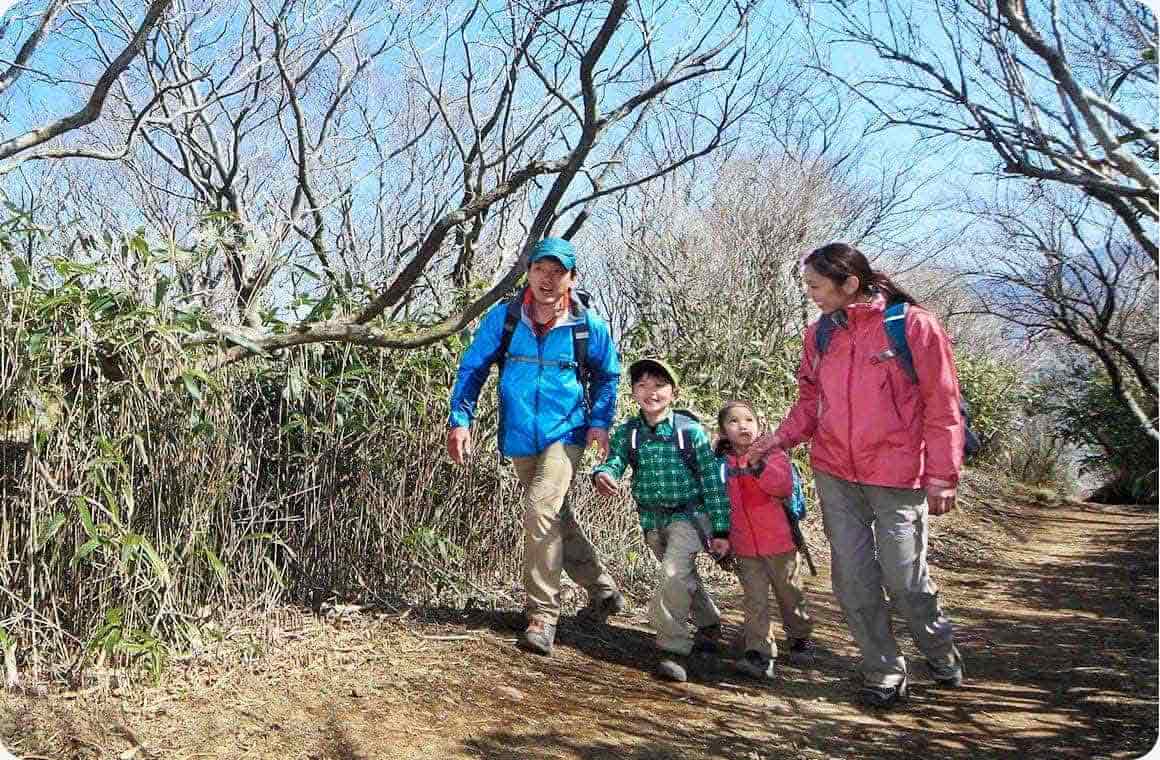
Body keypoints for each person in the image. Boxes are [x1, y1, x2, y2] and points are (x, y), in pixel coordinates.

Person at [749, 241, 965, 708]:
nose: (811, 295)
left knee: (905, 580)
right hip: (835, 473)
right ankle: (883, 669)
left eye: (817, 286)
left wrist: (944, 474)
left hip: (898, 475)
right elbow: (810, 402)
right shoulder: (820, 334)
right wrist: (780, 438)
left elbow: (943, 405)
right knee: (852, 579)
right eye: (807, 285)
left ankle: (939, 648)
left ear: (850, 283)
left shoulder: (912, 326)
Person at [447, 237, 623, 657]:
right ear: (528, 272)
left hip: (568, 432)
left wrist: (600, 421)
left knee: (540, 509)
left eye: (557, 272)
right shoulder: (506, 318)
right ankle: (603, 589)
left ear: (571, 278)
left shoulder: (586, 325)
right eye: (541, 269)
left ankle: (542, 614)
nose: (548, 279)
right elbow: (472, 369)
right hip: (520, 435)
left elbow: (609, 375)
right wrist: (460, 420)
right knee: (554, 515)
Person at [592, 358, 730, 683]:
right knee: (680, 576)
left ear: (673, 392)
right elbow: (614, 462)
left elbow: (712, 481)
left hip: (690, 516)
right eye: (642, 385)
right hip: (651, 520)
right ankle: (709, 623)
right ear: (634, 391)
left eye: (658, 385)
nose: (650, 392)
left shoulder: (690, 433)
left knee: (672, 573)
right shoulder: (630, 433)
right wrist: (602, 474)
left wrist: (721, 528)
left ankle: (673, 648)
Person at [715, 400, 814, 681]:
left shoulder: (774, 454)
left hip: (780, 543)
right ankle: (760, 652)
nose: (742, 425)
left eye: (748, 419)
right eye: (733, 421)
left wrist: (757, 465)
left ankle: (799, 635)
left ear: (759, 427)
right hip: (744, 546)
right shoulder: (721, 463)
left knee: (789, 594)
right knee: (754, 600)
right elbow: (717, 499)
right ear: (723, 432)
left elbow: (781, 486)